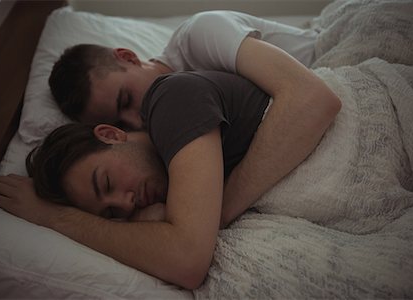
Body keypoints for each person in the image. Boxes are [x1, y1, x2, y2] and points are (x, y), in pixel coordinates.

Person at [0, 70, 340, 289]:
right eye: (112, 213)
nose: (126, 204)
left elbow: (187, 260)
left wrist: (55, 219)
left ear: (111, 134)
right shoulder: (172, 189)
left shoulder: (169, 102)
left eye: (107, 183)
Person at [47, 11, 340, 226]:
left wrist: (217, 212)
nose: (136, 122)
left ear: (127, 56)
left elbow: (312, 98)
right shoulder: (161, 149)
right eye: (121, 122)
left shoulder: (199, 36)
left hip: (335, 57)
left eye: (126, 100)